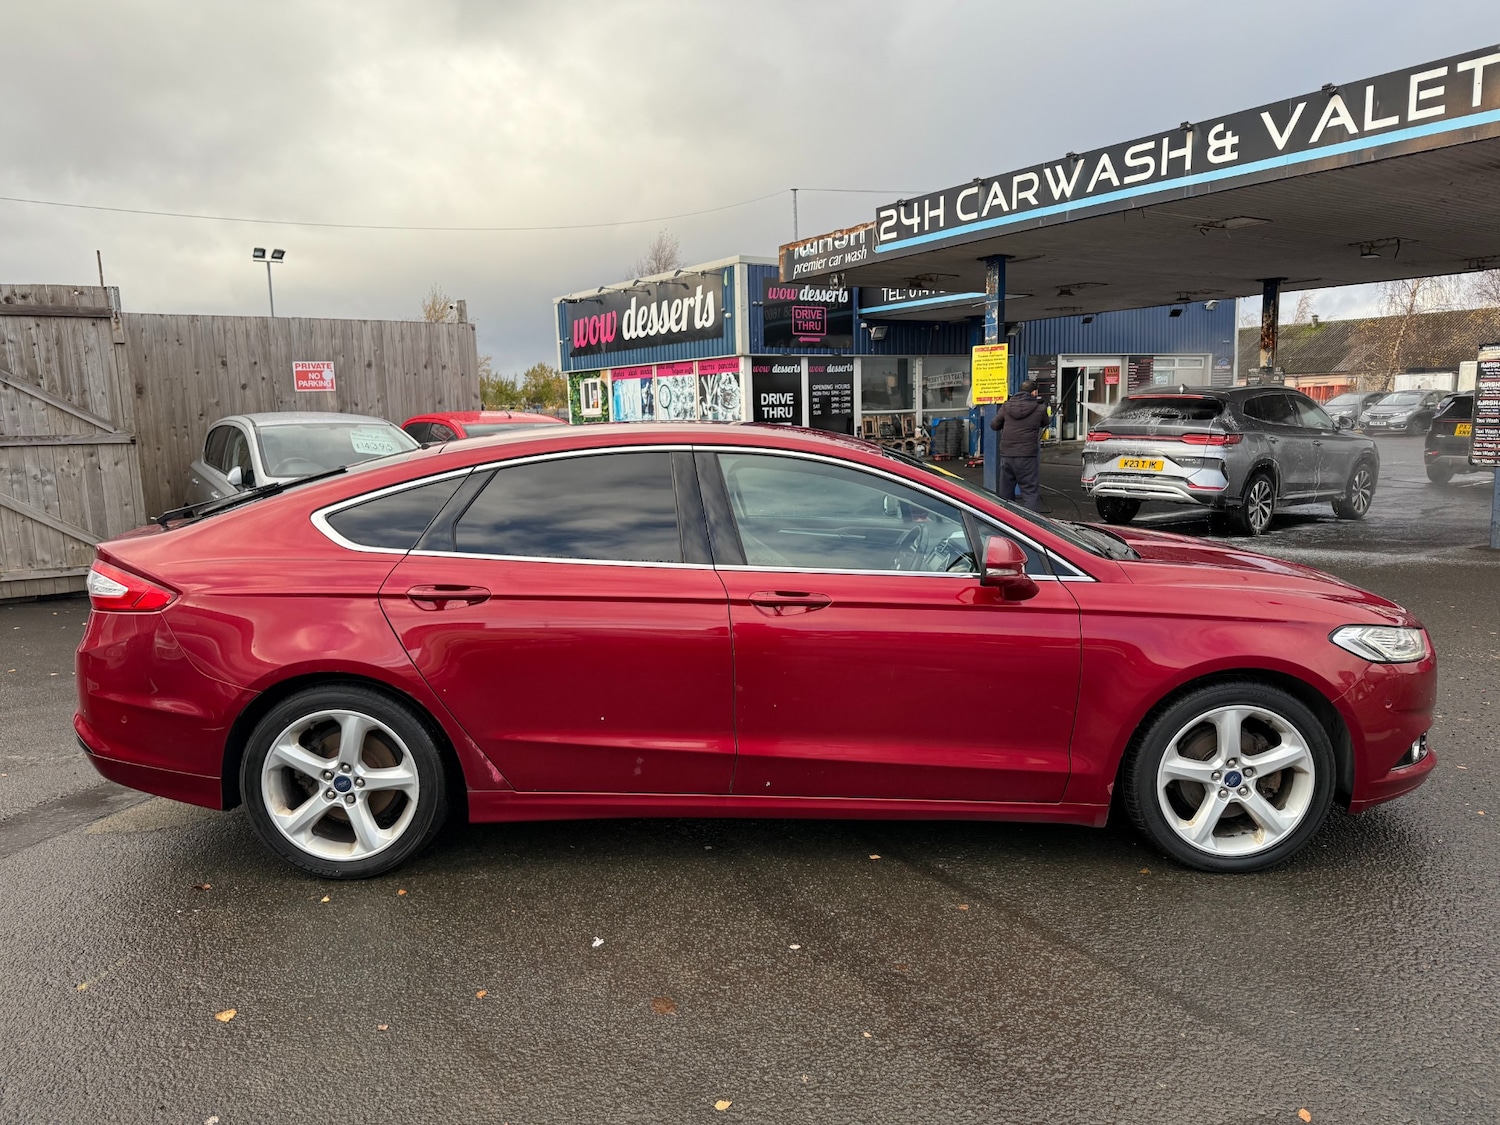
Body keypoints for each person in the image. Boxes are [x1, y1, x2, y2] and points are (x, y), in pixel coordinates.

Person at [989, 380, 1051, 511]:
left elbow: (994, 425)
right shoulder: (1039, 408)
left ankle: (1006, 522)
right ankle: (1031, 525)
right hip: (1027, 455)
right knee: (1030, 492)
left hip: (1007, 454)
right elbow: (1045, 422)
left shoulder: (1006, 406)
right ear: (1034, 392)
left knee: (1005, 493)